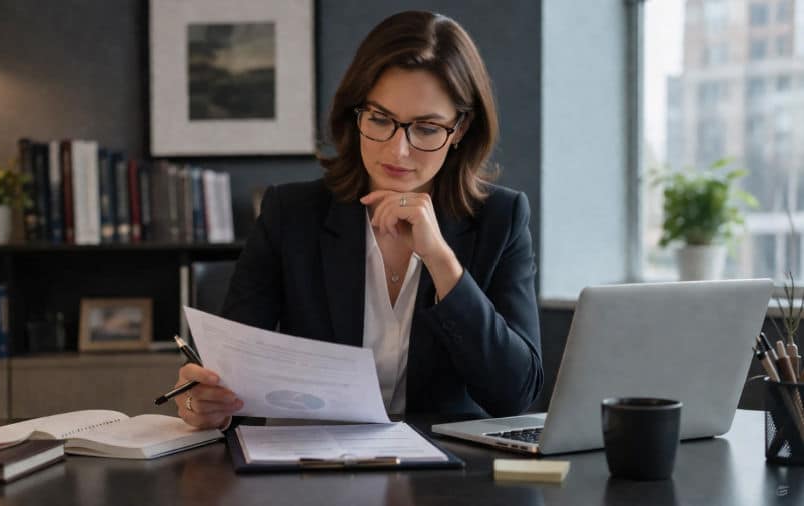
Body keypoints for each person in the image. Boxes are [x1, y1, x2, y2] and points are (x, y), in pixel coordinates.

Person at [176, 10, 543, 430]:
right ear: (356, 114)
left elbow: (515, 396)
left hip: (449, 474)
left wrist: (443, 263)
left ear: (460, 129)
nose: (397, 151)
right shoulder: (290, 214)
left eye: (426, 128)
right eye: (381, 120)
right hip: (316, 467)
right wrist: (201, 400)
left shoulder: (502, 218)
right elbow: (227, 374)